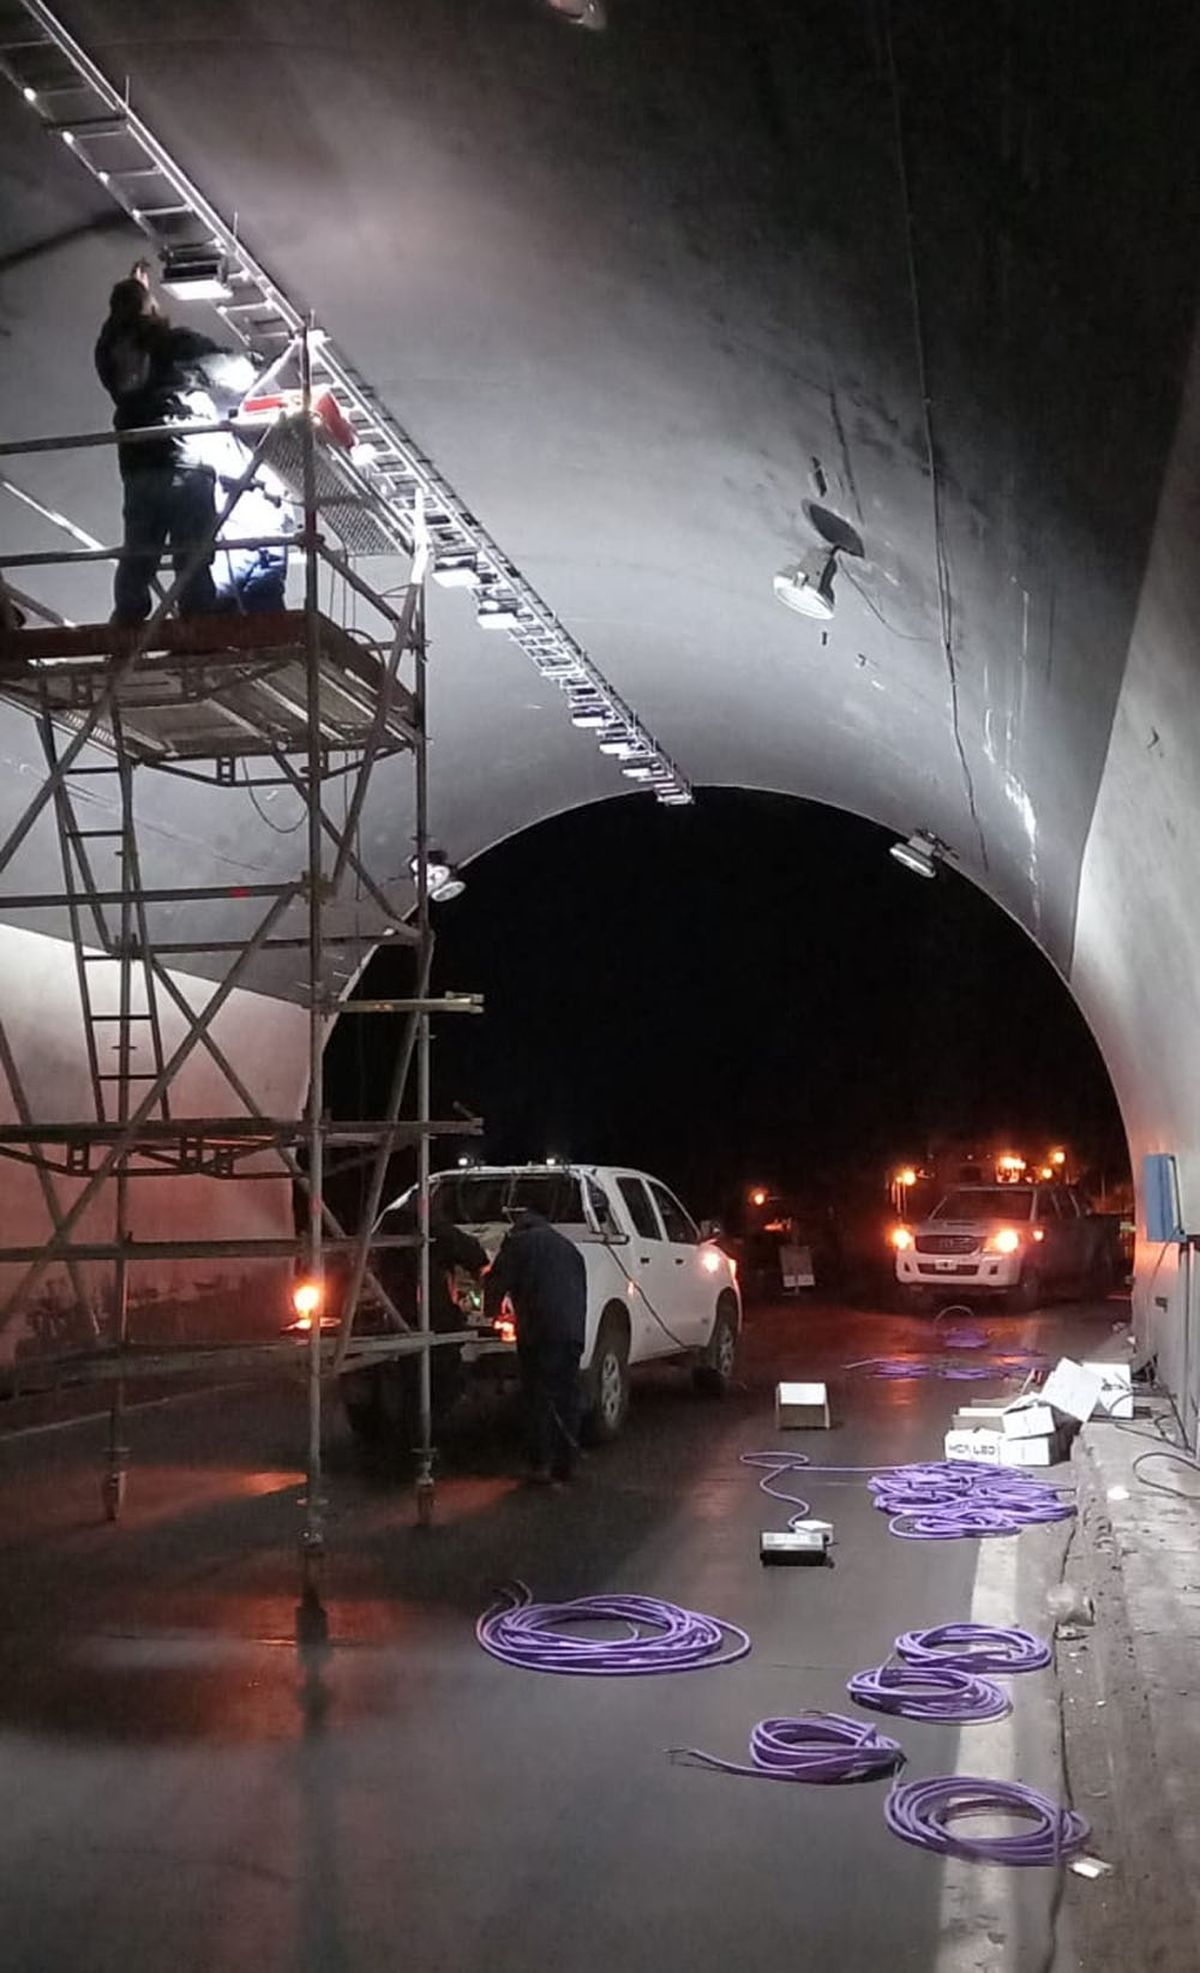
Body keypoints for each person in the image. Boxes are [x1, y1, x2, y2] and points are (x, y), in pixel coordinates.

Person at [94, 260, 255, 625]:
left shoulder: (109, 355)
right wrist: (253, 362)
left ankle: (128, 617)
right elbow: (232, 370)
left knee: (139, 549)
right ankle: (196, 611)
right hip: (183, 455)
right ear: (147, 309)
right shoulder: (169, 342)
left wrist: (132, 293)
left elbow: (119, 325)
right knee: (192, 545)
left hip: (137, 463)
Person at [486, 1208, 587, 1483]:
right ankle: (567, 1462)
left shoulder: (518, 1243)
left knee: (538, 1397)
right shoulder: (568, 1248)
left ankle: (540, 1463)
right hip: (572, 1331)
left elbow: (495, 1283)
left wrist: (490, 1313)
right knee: (567, 1394)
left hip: (540, 1332)